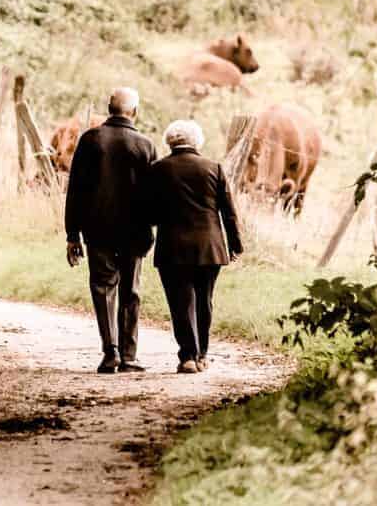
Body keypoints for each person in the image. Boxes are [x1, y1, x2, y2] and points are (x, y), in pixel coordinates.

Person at [65, 87, 157, 374]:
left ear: (108, 107)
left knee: (103, 288)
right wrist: (153, 227)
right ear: (135, 112)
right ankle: (129, 356)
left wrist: (72, 235)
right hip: (135, 231)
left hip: (97, 230)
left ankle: (110, 352)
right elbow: (154, 195)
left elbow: (75, 191)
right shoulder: (145, 145)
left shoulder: (90, 140)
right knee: (131, 290)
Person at [141, 120, 243, 374]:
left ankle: (187, 356)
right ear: (197, 141)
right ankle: (203, 355)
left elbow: (149, 213)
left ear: (170, 141)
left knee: (180, 302)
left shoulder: (157, 169)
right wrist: (235, 244)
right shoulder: (214, 168)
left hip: (172, 247)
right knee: (204, 301)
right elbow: (229, 212)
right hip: (210, 246)